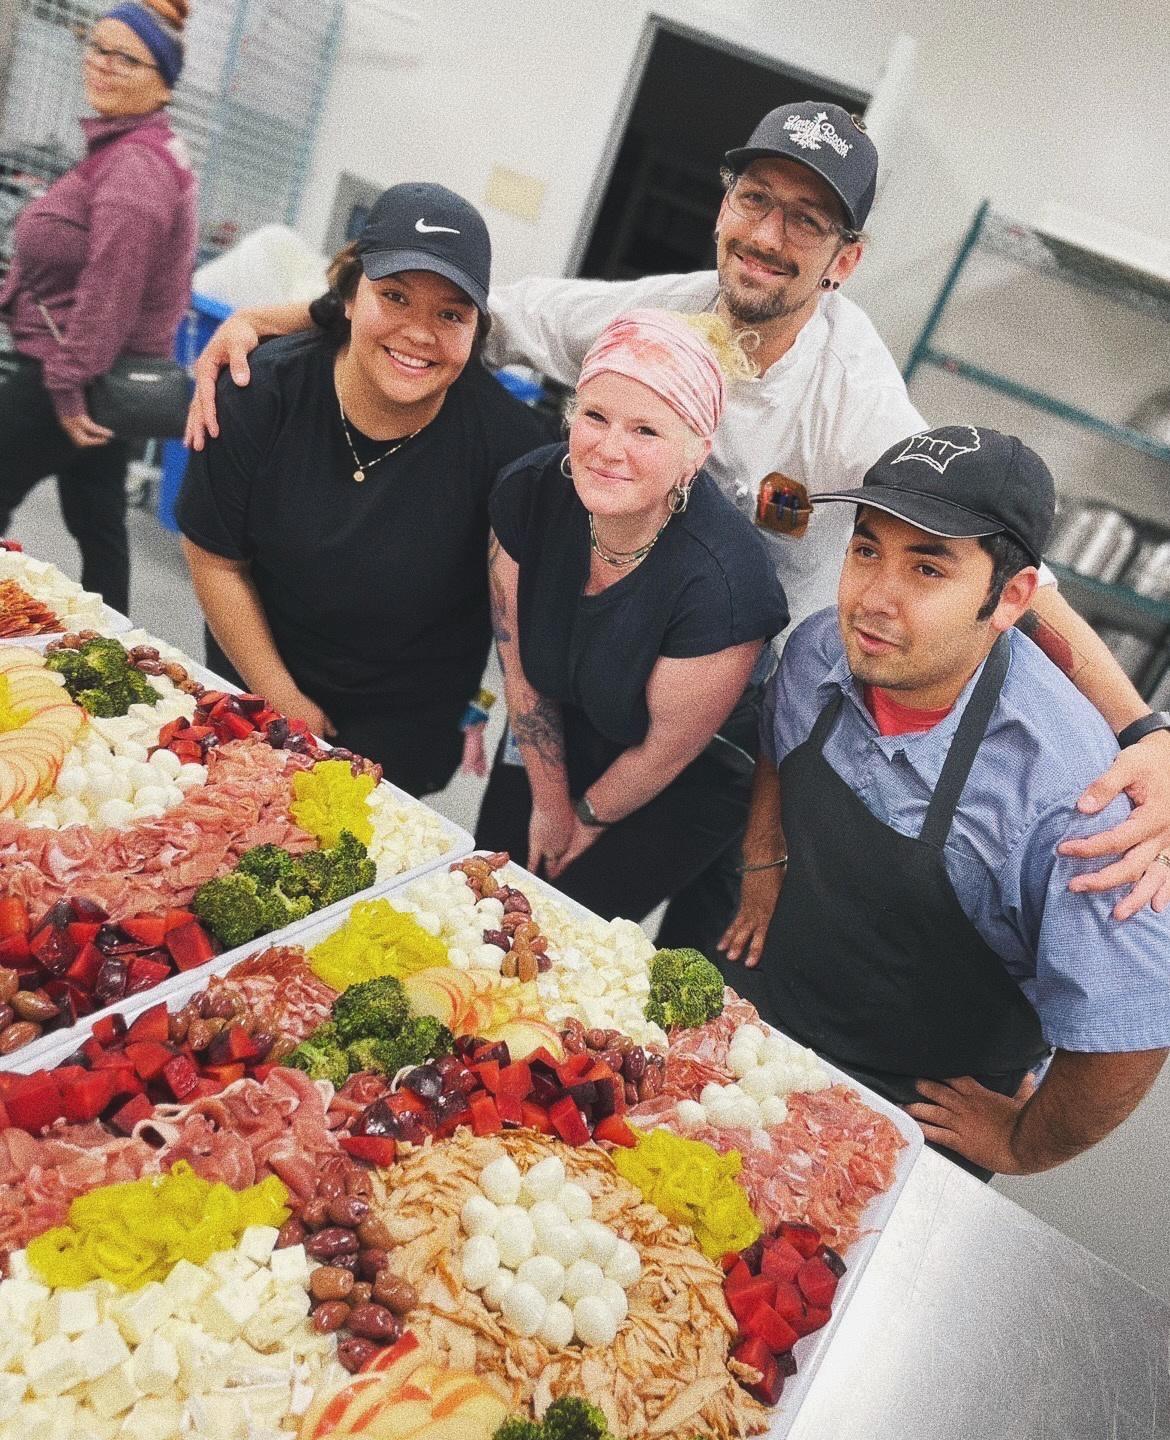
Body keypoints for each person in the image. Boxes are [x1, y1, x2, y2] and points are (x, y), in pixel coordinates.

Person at [182, 100, 1170, 917]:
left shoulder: (856, 402)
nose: (768, 236)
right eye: (756, 199)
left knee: (619, 937)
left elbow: (1005, 573)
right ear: (724, 205)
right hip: (580, 663)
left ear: (845, 260)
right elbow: (459, 312)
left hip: (730, 717)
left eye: (807, 221)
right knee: (487, 896)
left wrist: (1141, 731)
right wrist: (274, 320)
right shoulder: (651, 309)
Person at [718, 424, 1169, 1178]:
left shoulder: (1073, 801)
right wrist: (762, 854)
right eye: (867, 551)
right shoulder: (820, 652)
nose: (873, 600)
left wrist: (1024, 1144)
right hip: (769, 1012)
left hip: (913, 1107)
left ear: (1011, 597)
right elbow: (777, 741)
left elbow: (1133, 1020)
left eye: (927, 568)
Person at [175, 182, 545, 796]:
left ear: (476, 328)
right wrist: (282, 699)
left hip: (403, 727)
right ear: (348, 296)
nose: (419, 333)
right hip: (257, 681)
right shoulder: (258, 391)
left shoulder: (511, 450)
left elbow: (525, 617)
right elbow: (215, 557)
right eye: (394, 296)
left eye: (451, 314)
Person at [477, 308, 787, 921]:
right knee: (487, 887)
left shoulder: (725, 587)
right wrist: (549, 802)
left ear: (695, 454)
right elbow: (520, 668)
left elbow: (664, 751)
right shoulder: (529, 491)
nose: (609, 449)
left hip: (691, 761)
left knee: (566, 920)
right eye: (595, 416)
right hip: (569, 704)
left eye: (646, 431)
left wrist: (583, 821)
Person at [0, 0, 197, 613]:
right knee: (99, 529)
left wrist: (66, 388)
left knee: (94, 527)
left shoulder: (136, 166)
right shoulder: (126, 149)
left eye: (126, 58)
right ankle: (115, 650)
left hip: (69, 373)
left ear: (163, 84)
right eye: (97, 47)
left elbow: (112, 291)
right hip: (98, 376)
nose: (103, 65)